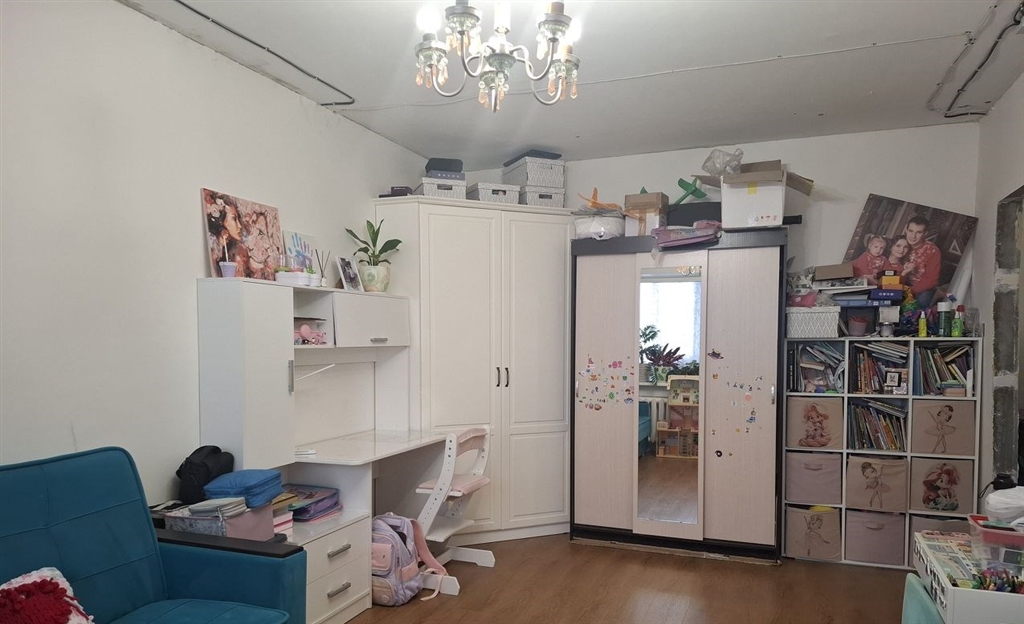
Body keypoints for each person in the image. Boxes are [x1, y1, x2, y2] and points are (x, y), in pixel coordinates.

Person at [902, 216, 942, 308]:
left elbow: (932, 280)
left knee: (921, 302)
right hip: (902, 282)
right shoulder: (902, 244)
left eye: (919, 232)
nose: (913, 236)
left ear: (925, 233)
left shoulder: (932, 250)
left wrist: (909, 291)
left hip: (922, 287)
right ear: (906, 230)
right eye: (911, 231)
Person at [206, 194, 248, 277]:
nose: (239, 225)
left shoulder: (233, 248)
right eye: (234, 219)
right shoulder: (212, 246)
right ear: (222, 221)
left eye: (238, 219)